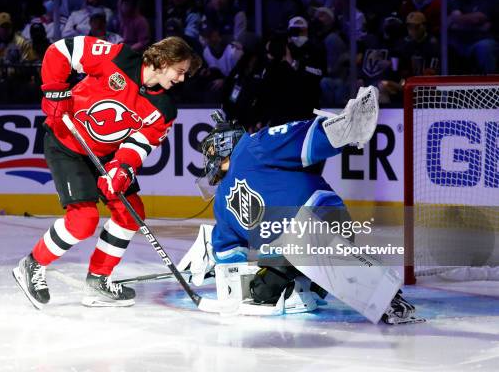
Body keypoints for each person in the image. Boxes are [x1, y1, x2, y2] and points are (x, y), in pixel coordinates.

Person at [178, 88, 423, 324]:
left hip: (320, 217)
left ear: (221, 146)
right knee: (262, 292)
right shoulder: (221, 201)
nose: (208, 160)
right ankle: (312, 285)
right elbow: (228, 253)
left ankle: (387, 296)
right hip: (287, 251)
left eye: (209, 153)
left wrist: (343, 129)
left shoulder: (251, 148)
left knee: (312, 246)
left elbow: (299, 139)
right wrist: (212, 268)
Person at [13, 35, 201, 309]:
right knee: (83, 220)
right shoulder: (118, 57)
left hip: (107, 154)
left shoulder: (165, 108)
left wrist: (122, 167)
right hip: (67, 143)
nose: (182, 79)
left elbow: (140, 142)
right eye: (180, 71)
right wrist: (55, 90)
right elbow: (61, 51)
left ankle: (98, 280)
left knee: (130, 213)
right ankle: (32, 264)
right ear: (163, 61)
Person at [448, 0, 498, 74]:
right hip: (460, 42)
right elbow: (450, 23)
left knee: (485, 47)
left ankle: (490, 84)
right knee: (446, 44)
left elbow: (477, 19)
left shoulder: (492, 0)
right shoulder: (461, 1)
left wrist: (458, 21)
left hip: (482, 41)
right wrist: (479, 27)